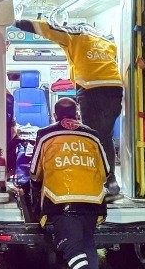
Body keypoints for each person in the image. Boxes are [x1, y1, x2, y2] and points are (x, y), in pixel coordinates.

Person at [13, 15, 124, 198]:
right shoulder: (105, 40)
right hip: (114, 87)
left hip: (92, 86)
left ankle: (101, 182)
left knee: (91, 136)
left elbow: (47, 29)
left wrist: (17, 22)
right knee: (105, 135)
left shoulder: (75, 34)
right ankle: (110, 180)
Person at [30, 96, 111, 269]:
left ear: (55, 115)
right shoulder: (92, 134)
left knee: (73, 250)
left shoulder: (46, 134)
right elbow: (106, 170)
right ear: (77, 114)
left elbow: (35, 172)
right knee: (87, 246)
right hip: (93, 201)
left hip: (62, 201)